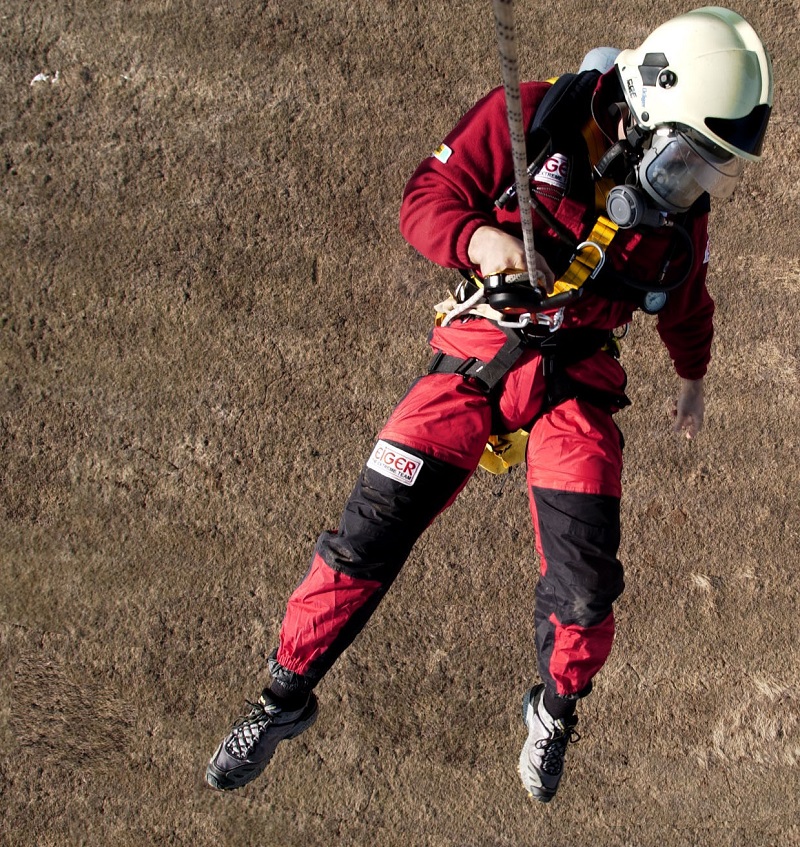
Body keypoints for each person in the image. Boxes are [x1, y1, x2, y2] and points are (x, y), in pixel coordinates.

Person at [205, 7, 773, 802]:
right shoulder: (529, 122)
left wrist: (693, 374)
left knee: (585, 586)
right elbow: (427, 197)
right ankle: (283, 699)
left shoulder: (679, 211)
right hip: (478, 354)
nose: (691, 179)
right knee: (368, 531)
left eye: (708, 165)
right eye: (689, 152)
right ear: (645, 106)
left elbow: (686, 298)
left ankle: (555, 707)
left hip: (575, 382)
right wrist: (480, 242)